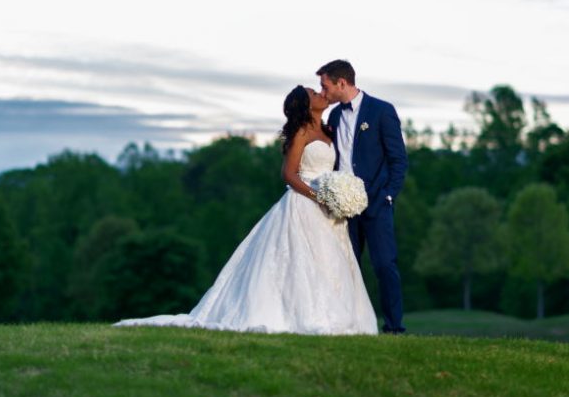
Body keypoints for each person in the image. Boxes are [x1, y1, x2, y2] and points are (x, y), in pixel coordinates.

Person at [113, 85, 377, 335]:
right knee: (303, 261)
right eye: (313, 93)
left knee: (330, 262)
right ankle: (302, 314)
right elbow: (288, 174)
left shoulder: (329, 131)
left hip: (329, 211)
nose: (320, 94)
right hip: (304, 204)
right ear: (306, 106)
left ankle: (339, 312)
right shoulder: (301, 133)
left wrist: (339, 194)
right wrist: (317, 196)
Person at [318, 59, 408, 334]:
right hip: (342, 208)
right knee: (347, 268)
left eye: (325, 86)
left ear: (341, 83)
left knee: (384, 266)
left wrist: (389, 196)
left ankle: (394, 327)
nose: (323, 92)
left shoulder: (382, 111)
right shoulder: (333, 117)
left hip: (377, 203)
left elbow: (398, 159)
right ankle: (350, 325)